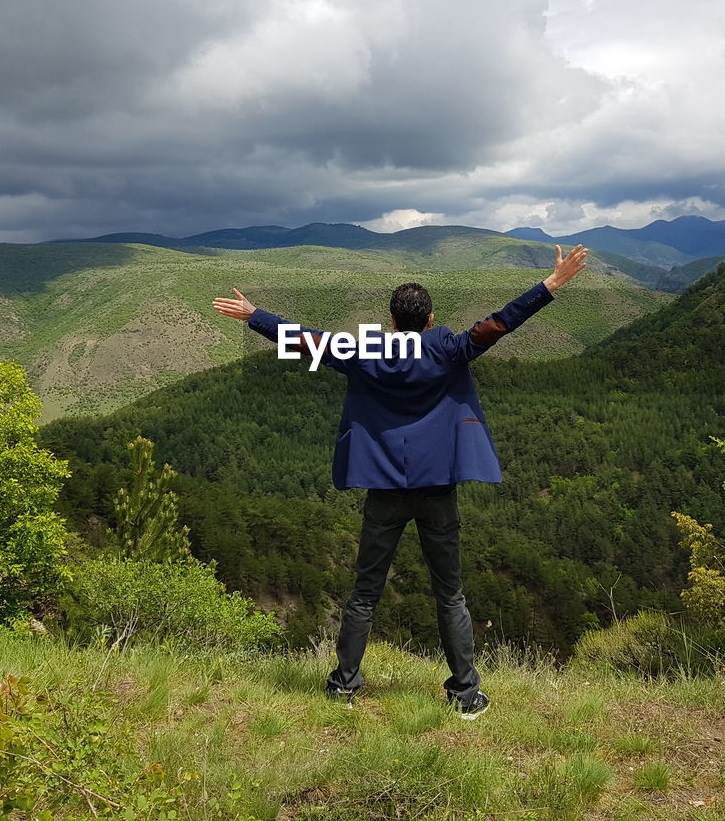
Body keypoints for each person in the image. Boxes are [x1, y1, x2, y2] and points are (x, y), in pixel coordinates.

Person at [212, 243, 589, 719]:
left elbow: (308, 340)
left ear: (391, 321)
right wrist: (553, 282)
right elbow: (501, 322)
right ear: (430, 319)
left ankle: (344, 686)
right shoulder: (450, 348)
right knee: (449, 592)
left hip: (384, 489)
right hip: (437, 491)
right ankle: (465, 694)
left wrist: (254, 316)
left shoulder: (365, 350)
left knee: (365, 590)